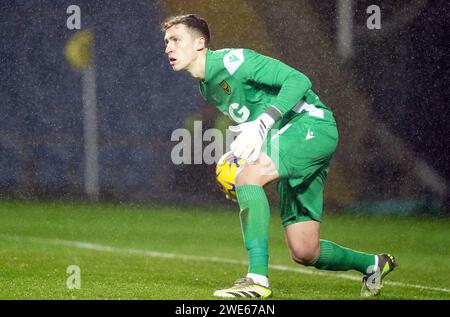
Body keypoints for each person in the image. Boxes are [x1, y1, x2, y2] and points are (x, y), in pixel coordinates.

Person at [161, 14, 397, 298]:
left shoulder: (234, 61)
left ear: (200, 43)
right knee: (304, 250)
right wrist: (245, 142)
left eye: (176, 40)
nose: (168, 48)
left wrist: (262, 126)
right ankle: (373, 264)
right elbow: (254, 116)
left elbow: (298, 80)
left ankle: (257, 280)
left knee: (248, 176)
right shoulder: (207, 86)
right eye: (166, 42)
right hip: (288, 137)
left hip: (311, 126)